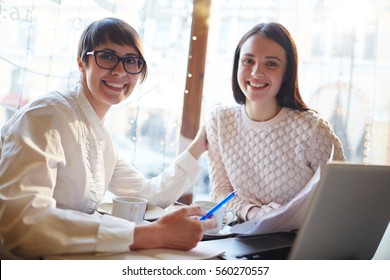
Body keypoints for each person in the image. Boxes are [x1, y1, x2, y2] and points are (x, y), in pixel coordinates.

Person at [0, 17, 217, 259]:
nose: (119, 71)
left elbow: (147, 195)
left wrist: (198, 147)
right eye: (107, 56)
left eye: (131, 61)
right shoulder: (47, 115)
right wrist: (149, 235)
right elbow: (21, 222)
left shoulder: (100, 138)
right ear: (82, 62)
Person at [205, 22, 345, 222]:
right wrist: (255, 214)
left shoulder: (314, 131)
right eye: (248, 61)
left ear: (287, 73)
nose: (256, 72)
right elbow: (220, 194)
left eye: (271, 63)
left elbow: (339, 201)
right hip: (241, 236)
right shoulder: (219, 120)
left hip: (299, 243)